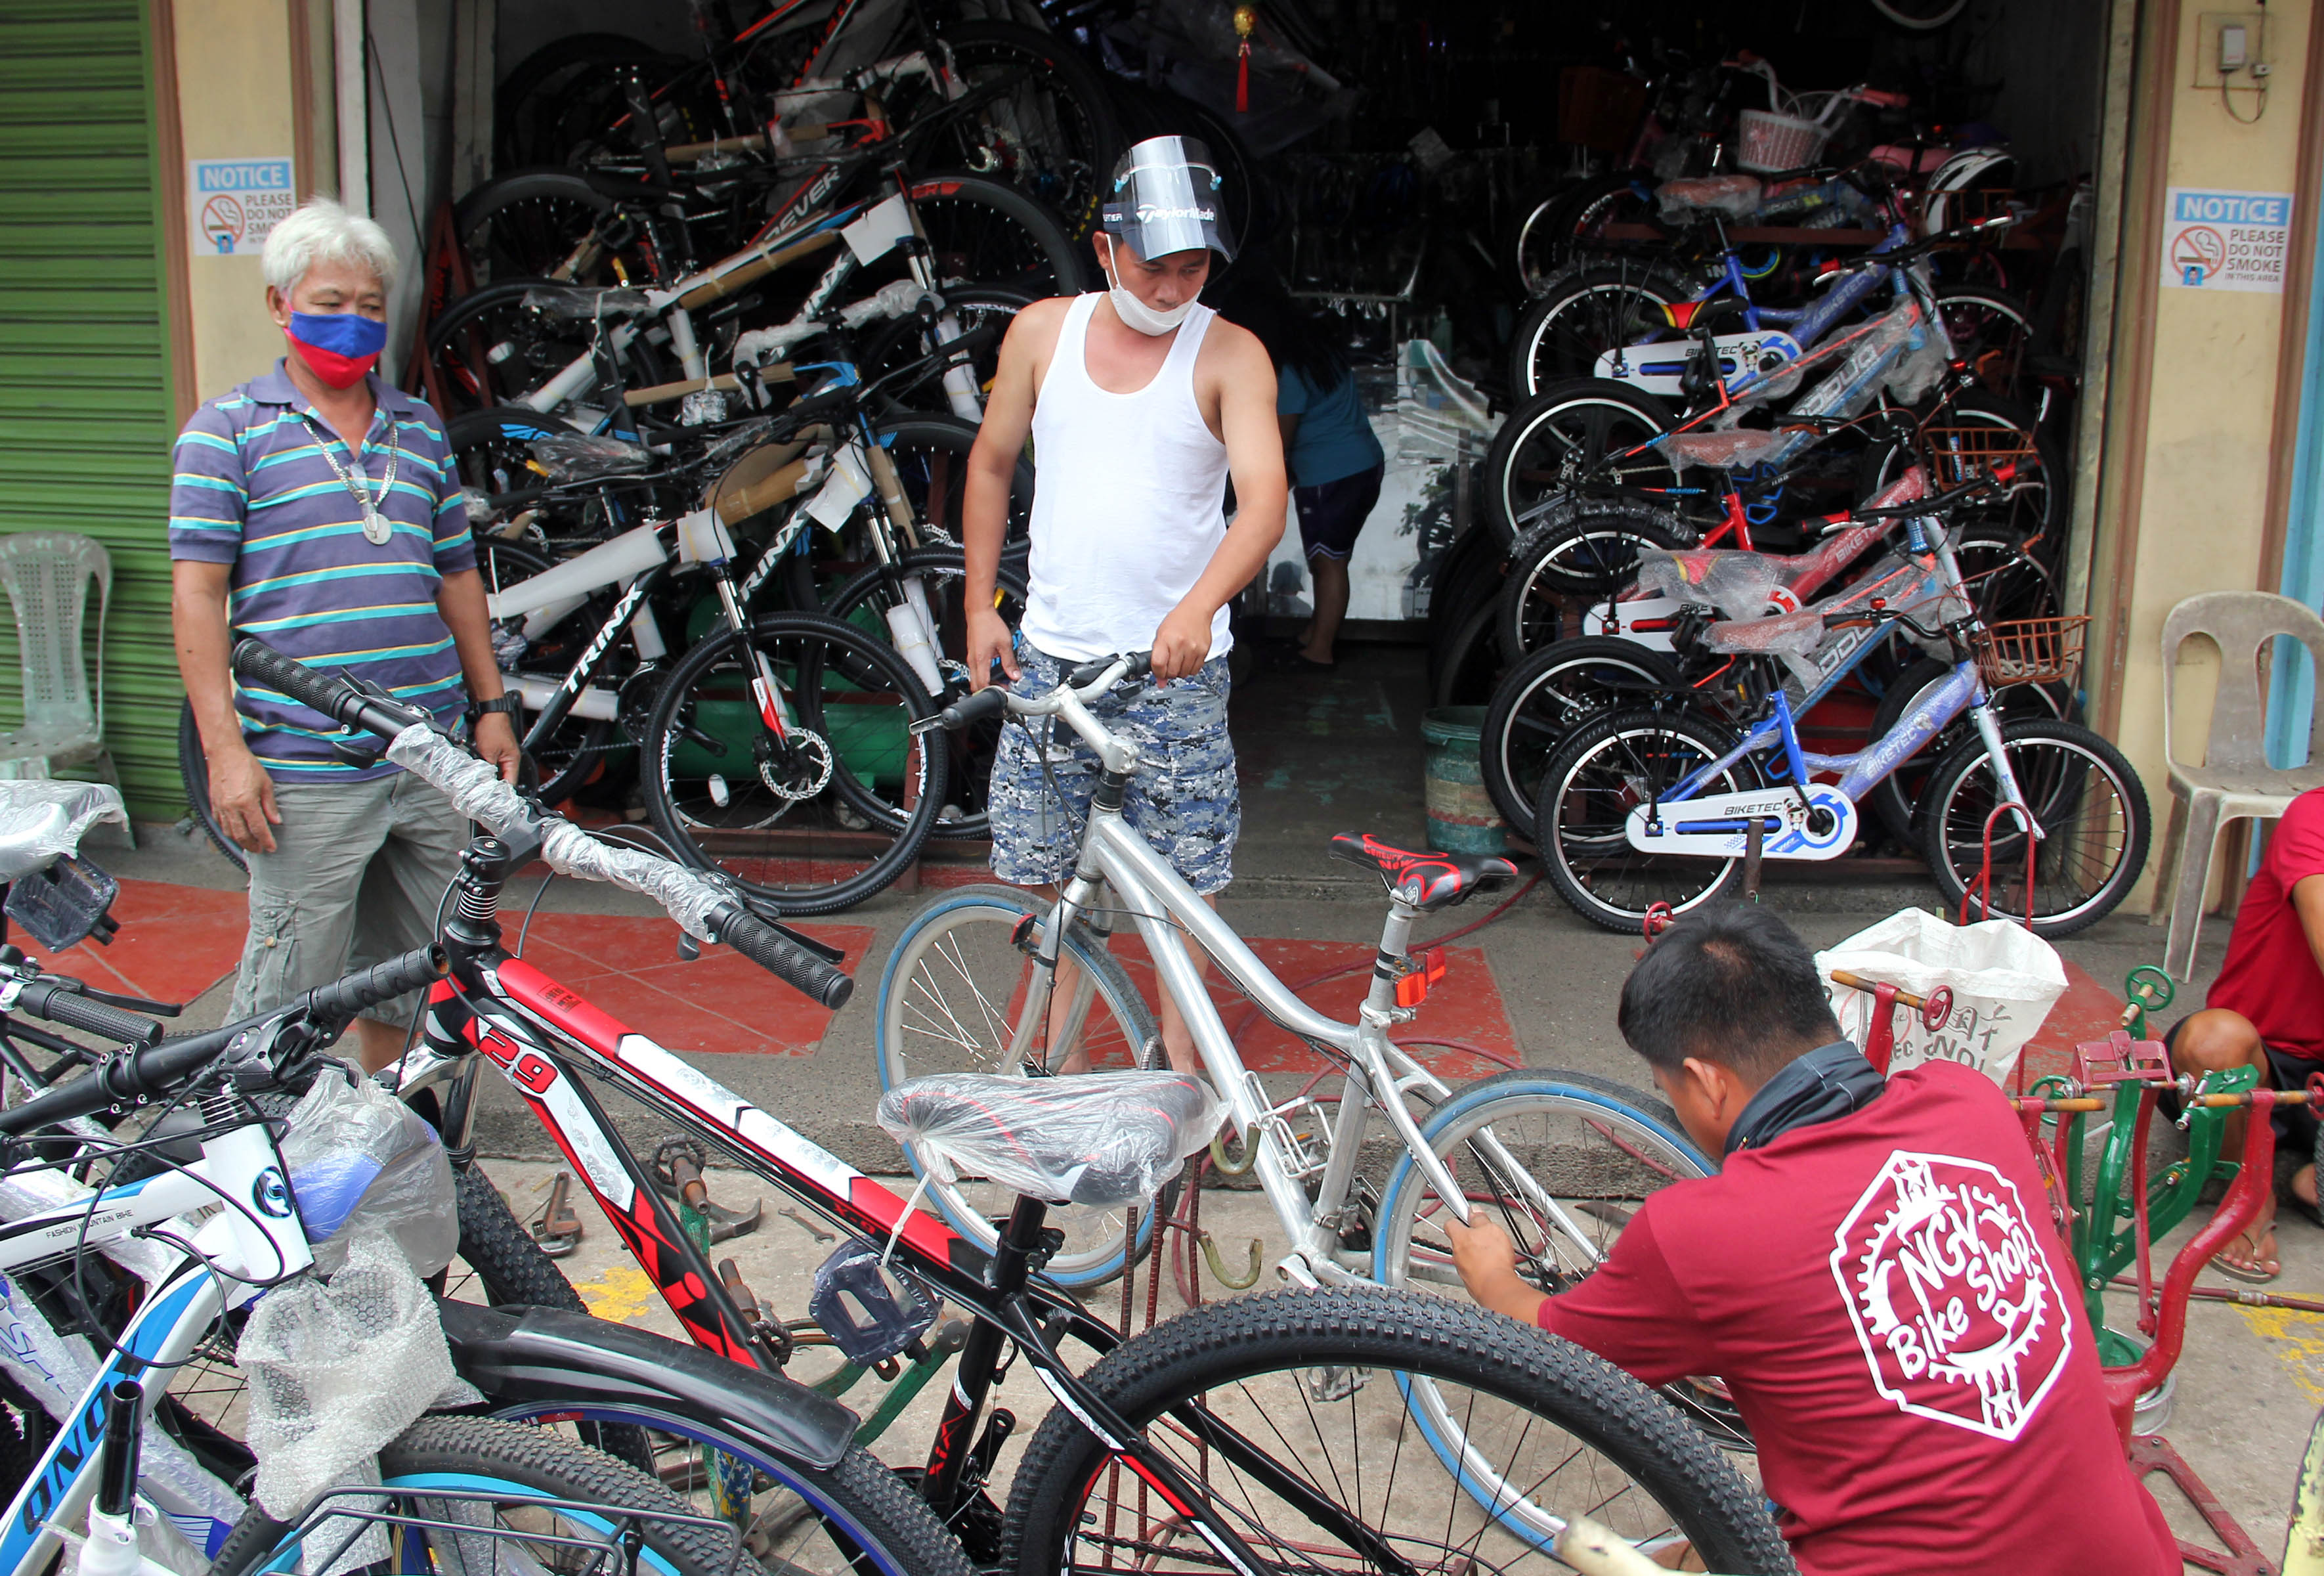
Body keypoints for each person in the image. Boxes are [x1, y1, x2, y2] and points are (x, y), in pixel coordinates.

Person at [1444, 906, 2174, 1576]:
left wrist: (1494, 1279)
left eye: (1669, 1089)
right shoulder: (1972, 1106)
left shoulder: (1702, 1232)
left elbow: (1555, 1353)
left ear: (1706, 1083)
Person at [170, 197, 522, 1072]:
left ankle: (397, 1158)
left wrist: (491, 708)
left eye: (370, 305)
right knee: (284, 1007)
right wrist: (225, 753)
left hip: (429, 760)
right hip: (304, 774)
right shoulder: (227, 434)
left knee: (428, 987)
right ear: (279, 306)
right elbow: (198, 599)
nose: (352, 321)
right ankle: (261, 1173)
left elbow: (457, 576)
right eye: (330, 303)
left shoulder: (419, 427)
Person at [960, 137, 1285, 1075]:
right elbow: (988, 464)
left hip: (1171, 674)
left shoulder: (1231, 354)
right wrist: (980, 607)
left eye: (1195, 267)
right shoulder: (1040, 333)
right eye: (1157, 266)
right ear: (1106, 249)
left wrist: (1198, 608)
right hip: (1051, 663)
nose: (1177, 286)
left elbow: (1264, 504)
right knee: (1048, 892)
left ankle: (1188, 1090)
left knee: (1182, 895)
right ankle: (1045, 1078)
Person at [2159, 782, 2324, 1282]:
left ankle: (2312, 1182)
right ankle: (2247, 1195)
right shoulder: (2313, 815)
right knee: (2214, 1039)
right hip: (2255, 1064)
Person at [1213, 274, 1383, 668]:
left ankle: (1319, 650)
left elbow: (1278, 442)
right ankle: (1314, 635)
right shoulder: (1320, 352)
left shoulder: (1288, 370)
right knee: (1331, 558)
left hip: (1332, 472)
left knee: (1328, 563)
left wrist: (1245, 488)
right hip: (1359, 465)